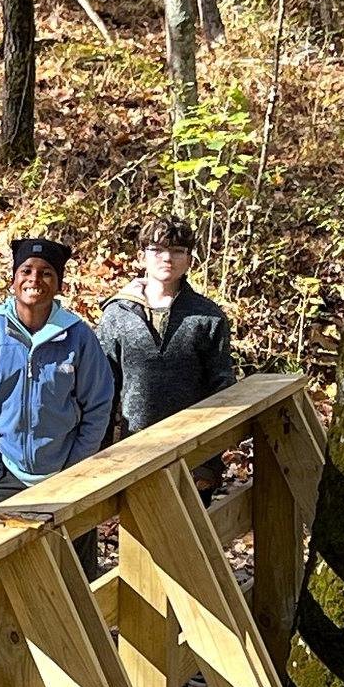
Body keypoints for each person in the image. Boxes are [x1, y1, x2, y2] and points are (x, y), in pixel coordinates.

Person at [0, 237, 113, 578]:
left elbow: (99, 403)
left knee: (73, 574)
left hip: (66, 473)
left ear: (59, 284)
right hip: (8, 473)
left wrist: (76, 465)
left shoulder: (77, 336)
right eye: (26, 271)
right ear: (13, 279)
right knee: (9, 576)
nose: (35, 279)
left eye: (46, 273)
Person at [97, 215, 237, 501]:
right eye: (157, 250)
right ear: (141, 256)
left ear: (189, 260)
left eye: (177, 251)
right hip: (133, 452)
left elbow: (223, 393)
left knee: (192, 529)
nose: (167, 258)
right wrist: (100, 459)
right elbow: (103, 391)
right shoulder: (117, 315)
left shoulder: (208, 317)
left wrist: (209, 465)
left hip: (192, 455)